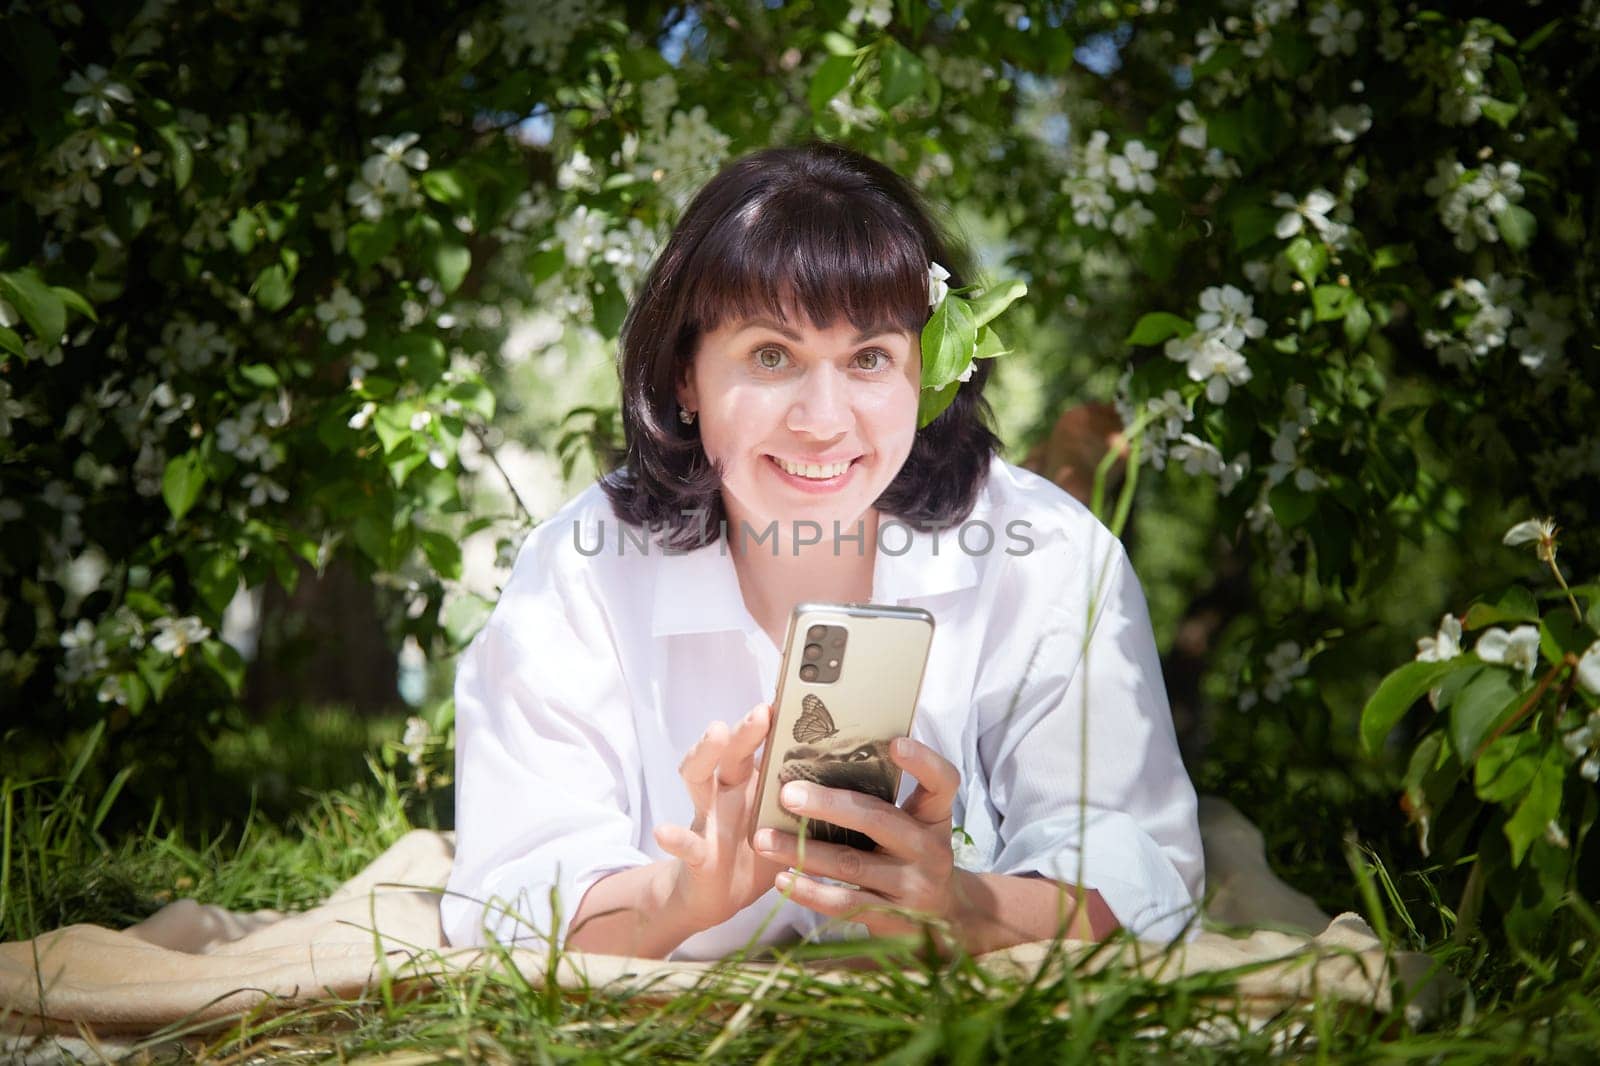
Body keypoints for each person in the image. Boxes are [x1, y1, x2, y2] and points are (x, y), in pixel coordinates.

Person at [440, 141, 1203, 962]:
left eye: (870, 359)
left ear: (932, 375)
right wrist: (679, 897)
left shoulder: (1047, 555)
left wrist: (962, 905)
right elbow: (510, 894)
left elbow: (1141, 876)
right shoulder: (581, 569)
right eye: (773, 356)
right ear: (685, 376)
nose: (823, 420)